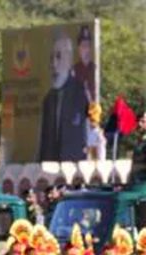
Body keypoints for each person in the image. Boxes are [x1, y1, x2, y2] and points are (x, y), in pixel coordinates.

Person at [37, 33, 88, 162]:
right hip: (50, 172)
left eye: (59, 57)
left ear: (69, 59)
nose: (54, 64)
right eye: (51, 58)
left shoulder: (81, 93)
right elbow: (44, 146)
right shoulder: (48, 99)